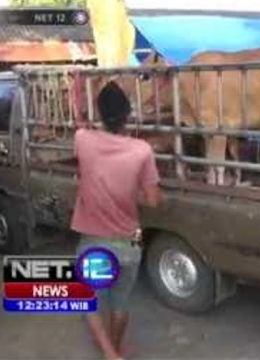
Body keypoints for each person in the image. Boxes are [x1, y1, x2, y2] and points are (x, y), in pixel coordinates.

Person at [72, 80, 162, 360]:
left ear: (100, 114)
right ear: (128, 115)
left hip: (95, 243)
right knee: (120, 303)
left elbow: (81, 128)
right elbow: (153, 201)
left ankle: (111, 354)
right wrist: (130, 189)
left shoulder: (82, 140)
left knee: (87, 301)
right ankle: (115, 347)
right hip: (130, 241)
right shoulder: (142, 150)